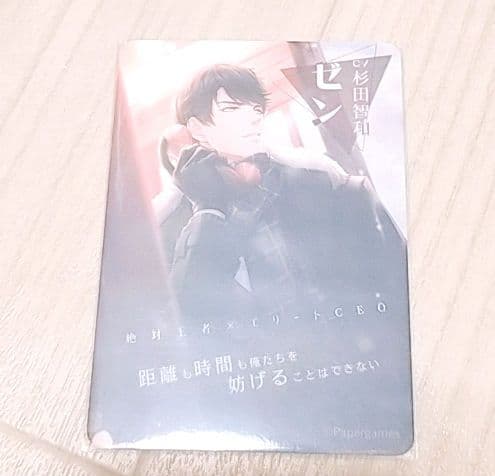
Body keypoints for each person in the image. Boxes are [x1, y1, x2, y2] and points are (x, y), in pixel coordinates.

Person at [160, 63, 407, 326]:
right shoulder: (175, 224)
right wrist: (207, 210)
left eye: (256, 108)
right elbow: (185, 319)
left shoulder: (321, 182)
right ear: (197, 129)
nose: (253, 118)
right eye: (231, 108)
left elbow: (394, 281)